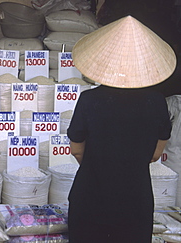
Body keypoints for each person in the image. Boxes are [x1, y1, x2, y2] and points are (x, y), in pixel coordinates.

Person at [67, 16, 176, 243]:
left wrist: (100, 163)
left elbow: (77, 150)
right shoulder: (156, 102)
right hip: (136, 200)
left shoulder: (89, 100)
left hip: (90, 196)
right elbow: (156, 153)